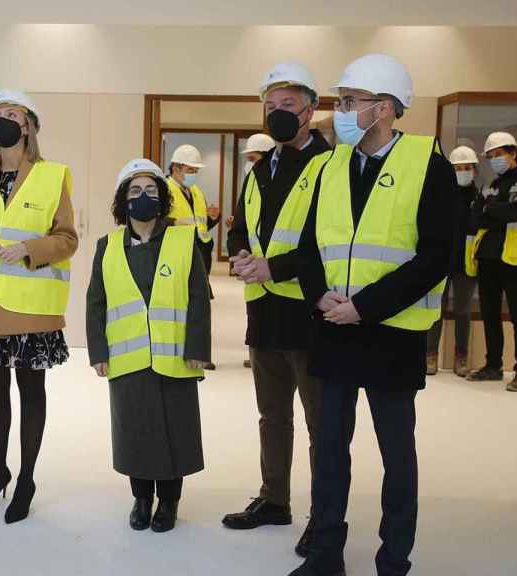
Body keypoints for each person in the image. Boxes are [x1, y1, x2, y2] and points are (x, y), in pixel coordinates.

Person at [293, 54, 457, 576]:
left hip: (390, 333)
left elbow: (436, 256)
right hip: (333, 330)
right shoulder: (331, 165)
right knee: (329, 453)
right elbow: (307, 245)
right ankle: (324, 556)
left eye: (348, 102)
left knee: (395, 454)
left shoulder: (427, 163)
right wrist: (320, 297)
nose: (338, 112)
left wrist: (364, 307)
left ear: (383, 108)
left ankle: (393, 559)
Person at [223, 62, 332, 557]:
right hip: (264, 313)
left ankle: (324, 516)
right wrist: (243, 255)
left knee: (321, 422)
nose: (278, 113)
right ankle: (274, 500)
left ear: (311, 109)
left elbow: (330, 243)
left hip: (311, 315)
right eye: (270, 106)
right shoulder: (260, 166)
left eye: (288, 105)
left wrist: (275, 268)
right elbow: (241, 227)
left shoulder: (331, 167)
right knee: (272, 416)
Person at [0, 89, 78, 524]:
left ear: (28, 125)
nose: (4, 120)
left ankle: (26, 478)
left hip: (33, 307)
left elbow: (67, 239)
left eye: (13, 114)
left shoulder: (53, 175)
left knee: (31, 393)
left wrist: (27, 247)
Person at [86, 159, 210, 533]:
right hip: (128, 357)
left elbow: (198, 297)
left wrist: (197, 346)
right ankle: (141, 499)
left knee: (175, 429)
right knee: (135, 431)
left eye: (151, 191)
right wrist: (99, 353)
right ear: (123, 200)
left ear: (163, 198)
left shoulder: (183, 240)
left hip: (175, 356)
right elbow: (96, 301)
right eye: (135, 191)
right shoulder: (106, 246)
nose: (143, 197)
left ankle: (169, 502)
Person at [466, 132, 517, 391]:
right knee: (490, 315)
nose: (494, 160)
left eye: (498, 154)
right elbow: (475, 218)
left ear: (513, 152)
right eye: (490, 157)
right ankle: (493, 366)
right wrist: (500, 211)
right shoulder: (489, 185)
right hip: (488, 257)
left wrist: (491, 209)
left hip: (516, 259)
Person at [426, 145, 480, 376]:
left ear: (474, 170)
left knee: (463, 310)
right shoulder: (443, 195)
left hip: (467, 262)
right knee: (435, 309)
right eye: (458, 168)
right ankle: (430, 356)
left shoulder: (481, 197)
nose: (463, 172)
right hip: (443, 261)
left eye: (467, 168)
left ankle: (461, 357)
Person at [167, 144, 221, 369]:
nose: (193, 175)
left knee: (200, 306)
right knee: (180, 306)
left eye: (195, 171)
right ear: (176, 167)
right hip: (178, 256)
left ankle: (200, 353)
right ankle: (179, 352)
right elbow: (161, 223)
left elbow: (200, 225)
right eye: (190, 170)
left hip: (200, 254)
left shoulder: (196, 192)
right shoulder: (164, 190)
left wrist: (213, 218)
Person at [238, 132, 275, 369]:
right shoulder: (251, 183)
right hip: (253, 275)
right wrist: (239, 250)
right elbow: (242, 226)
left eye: (253, 158)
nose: (249, 164)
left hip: (285, 280)